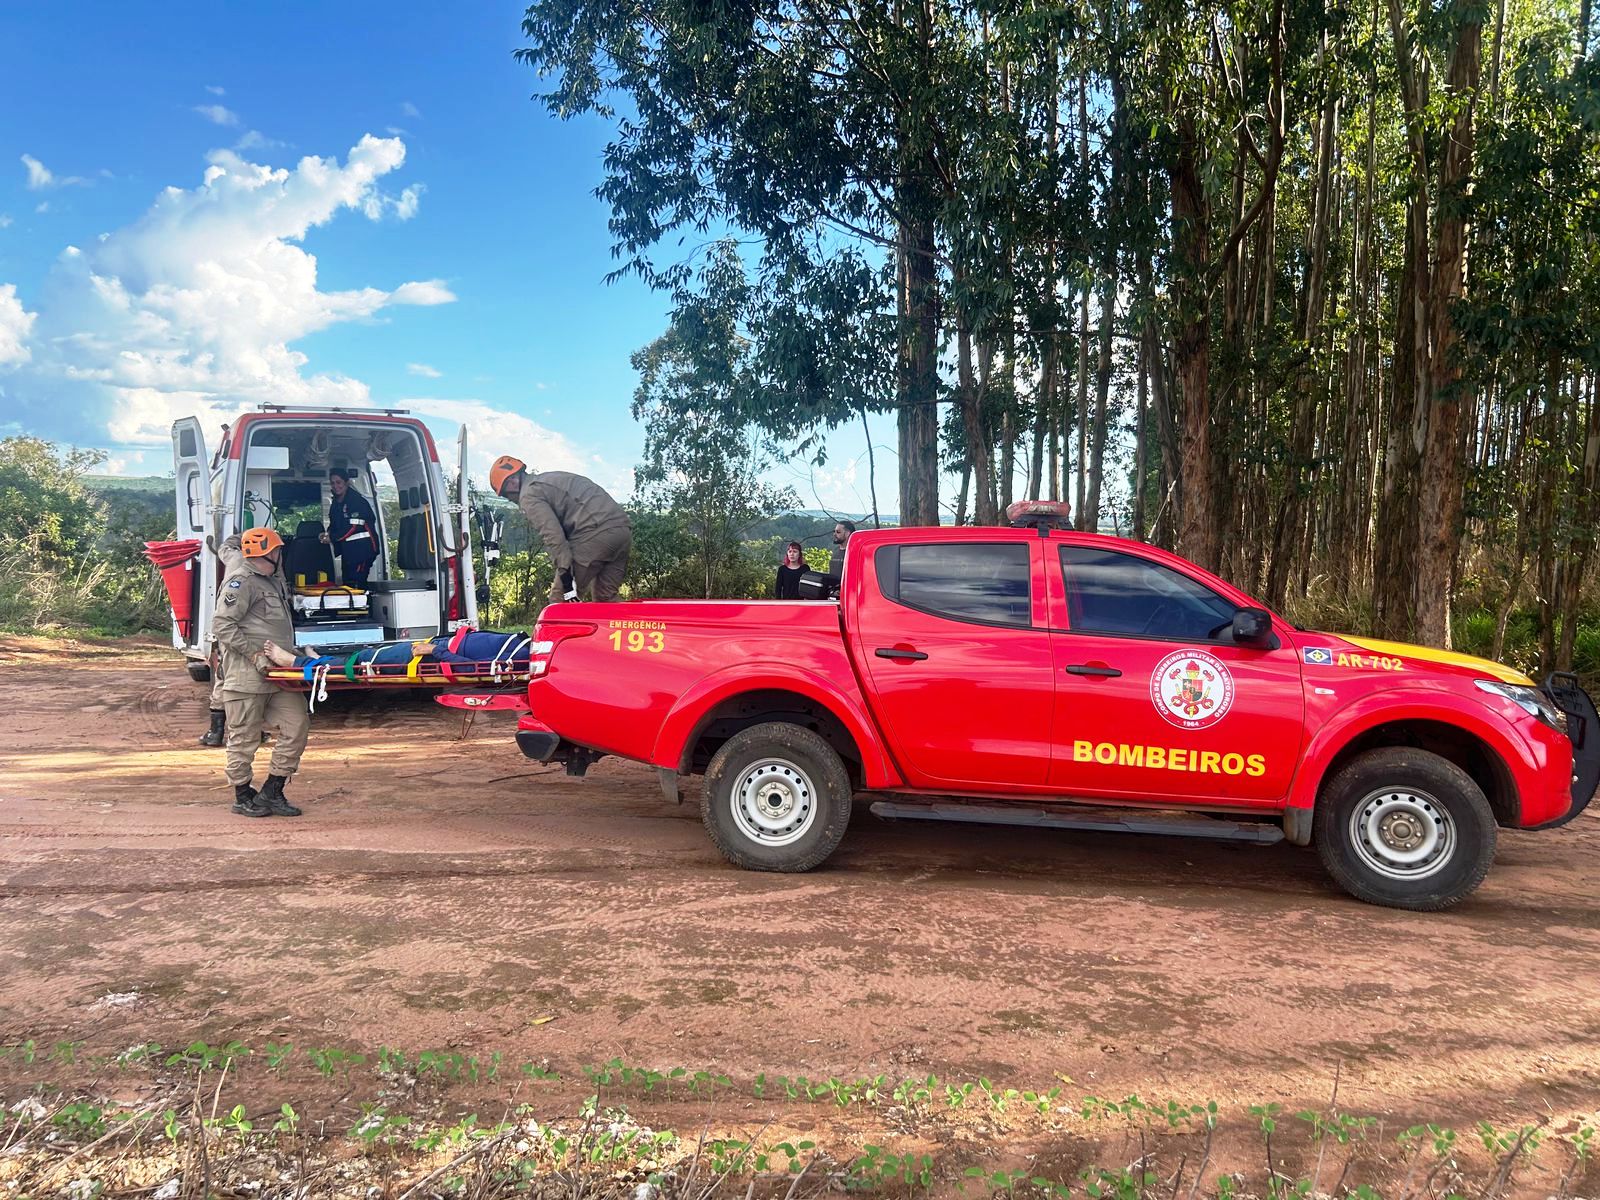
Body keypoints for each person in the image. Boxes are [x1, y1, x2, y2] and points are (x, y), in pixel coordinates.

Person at [212, 528, 311, 818]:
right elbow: (223, 625)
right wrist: (254, 654)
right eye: (278, 550)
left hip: (280, 675)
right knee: (244, 737)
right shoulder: (240, 581)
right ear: (266, 553)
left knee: (297, 725)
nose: (282, 555)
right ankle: (243, 795)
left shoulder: (272, 580)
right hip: (248, 677)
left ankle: (272, 790)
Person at [489, 456, 632, 603]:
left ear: (511, 484)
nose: (511, 500)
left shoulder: (528, 495)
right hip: (622, 531)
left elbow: (553, 536)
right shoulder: (547, 480)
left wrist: (565, 573)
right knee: (606, 599)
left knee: (560, 602)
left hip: (596, 534)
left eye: (506, 496)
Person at [197, 535, 245, 747]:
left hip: (230, 632)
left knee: (224, 679)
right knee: (247, 683)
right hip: (247, 633)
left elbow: (225, 547)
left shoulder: (235, 557)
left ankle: (215, 732)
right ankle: (250, 730)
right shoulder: (268, 565)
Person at [321, 467, 378, 587]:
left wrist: (333, 538)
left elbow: (353, 527)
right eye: (332, 483)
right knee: (347, 583)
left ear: (346, 482)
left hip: (362, 551)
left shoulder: (356, 501)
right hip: (348, 552)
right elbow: (334, 524)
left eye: (338, 482)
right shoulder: (336, 503)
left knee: (356, 584)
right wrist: (327, 534)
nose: (335, 486)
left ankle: (365, 605)